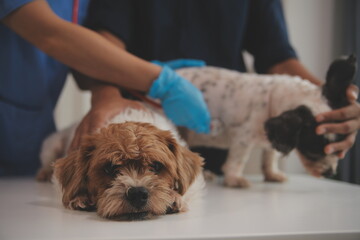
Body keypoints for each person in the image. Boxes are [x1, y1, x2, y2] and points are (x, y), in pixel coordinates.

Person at [83, 0, 360, 173]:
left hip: (216, 146)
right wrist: (105, 98)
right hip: (139, 129)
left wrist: (326, 107)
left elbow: (276, 56)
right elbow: (100, 42)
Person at [0, 0, 210, 176]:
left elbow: (82, 65)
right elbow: (50, 35)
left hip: (26, 139)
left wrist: (108, 92)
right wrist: (161, 80)